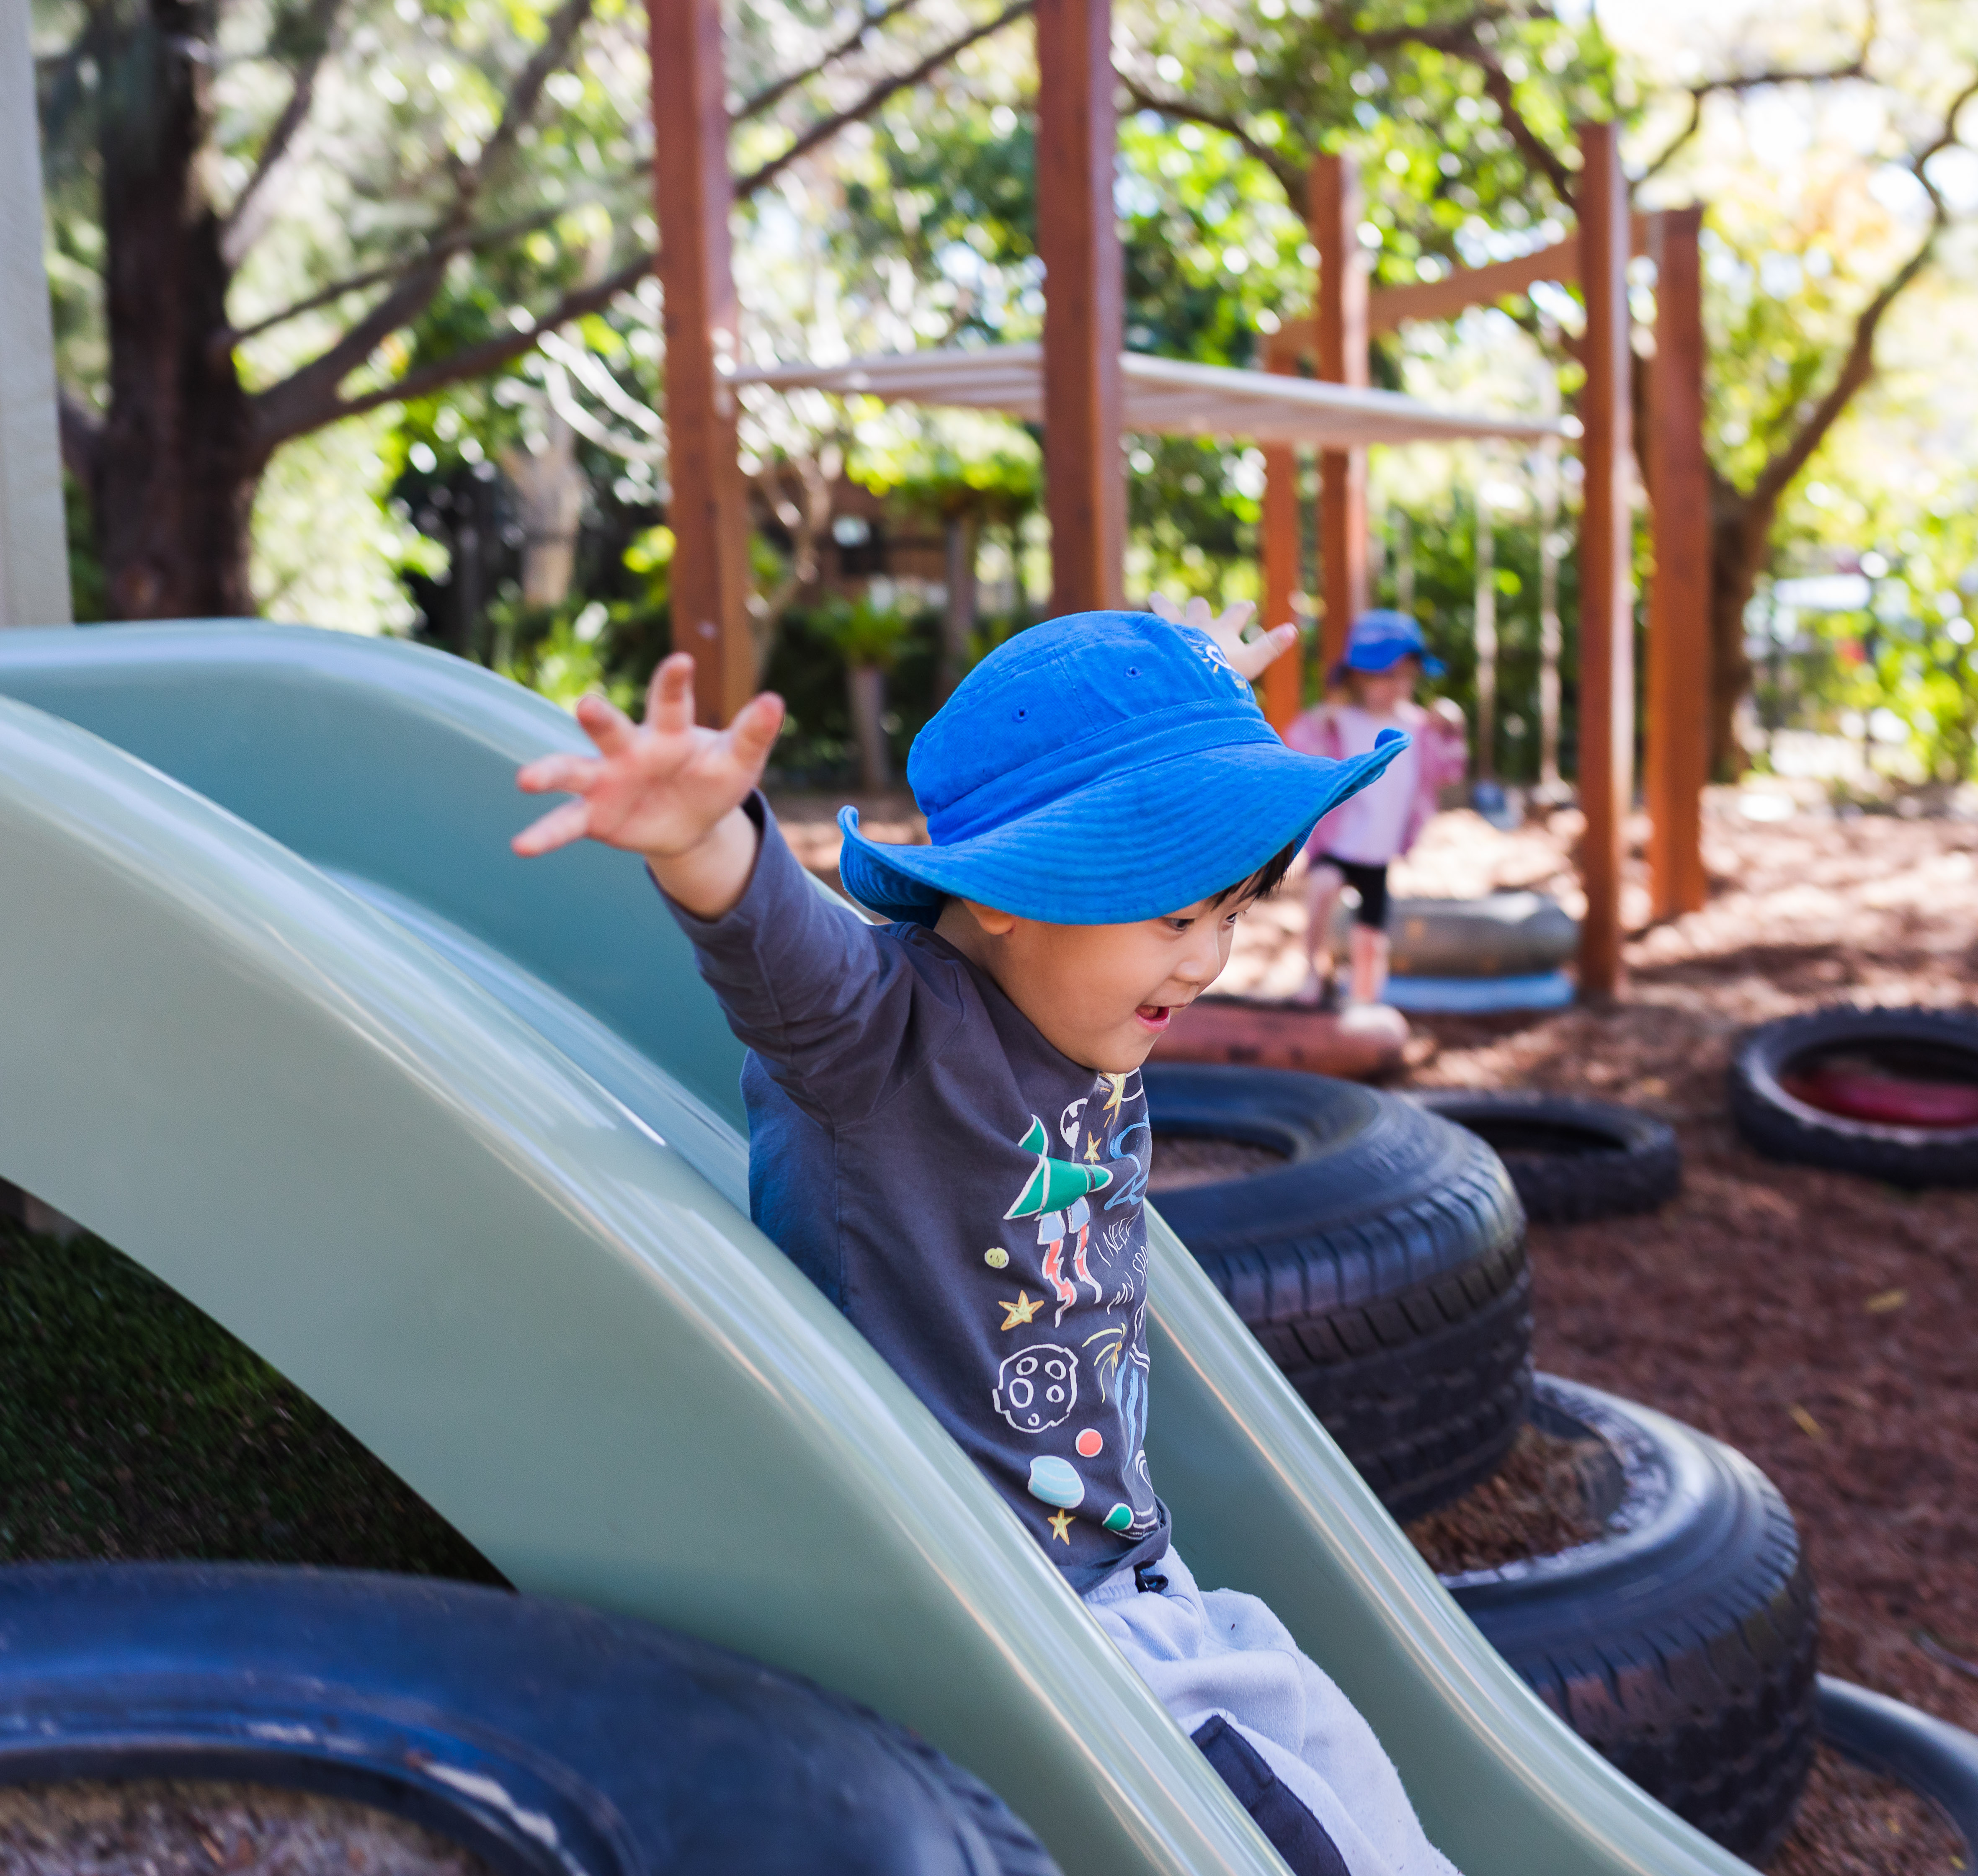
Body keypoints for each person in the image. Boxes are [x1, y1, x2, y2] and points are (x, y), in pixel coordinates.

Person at [513, 608, 1460, 1876]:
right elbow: (773, 947)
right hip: (1010, 1606)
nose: (1210, 959)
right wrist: (704, 839)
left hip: (1125, 1563)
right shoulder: (877, 1039)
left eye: (1231, 910)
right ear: (1021, 890)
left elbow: (1112, 807)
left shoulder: (1088, 1005)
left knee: (1336, 1757)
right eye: (1177, 915)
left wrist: (1172, 701)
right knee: (1283, 1834)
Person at [1281, 611, 1467, 1010]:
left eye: (1404, 677)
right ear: (1357, 678)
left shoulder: (1419, 728)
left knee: (1370, 937)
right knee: (1322, 888)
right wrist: (1317, 721)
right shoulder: (1337, 722)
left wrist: (1453, 731)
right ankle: (1312, 972)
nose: (1394, 687)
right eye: (1383, 676)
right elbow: (1295, 753)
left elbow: (1448, 771)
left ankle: (1365, 1000)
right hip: (1339, 842)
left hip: (1379, 851)